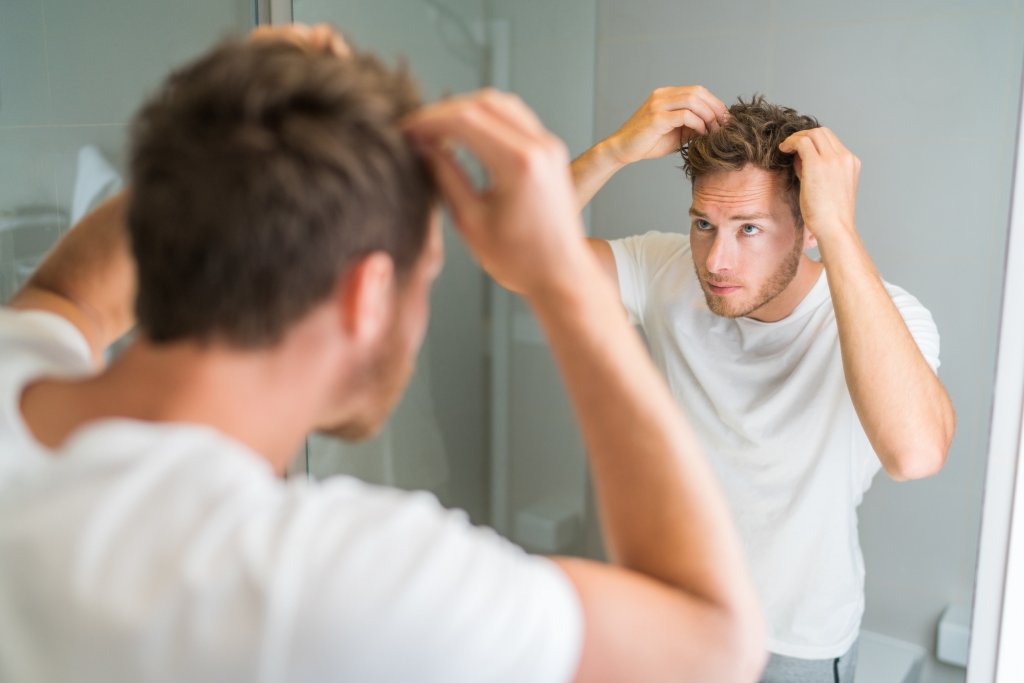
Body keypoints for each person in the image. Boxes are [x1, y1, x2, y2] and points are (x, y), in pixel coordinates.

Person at [0, 25, 767, 683]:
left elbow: (69, 295)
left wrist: (236, 128)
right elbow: (715, 639)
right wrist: (559, 273)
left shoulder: (14, 372)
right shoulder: (325, 580)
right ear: (367, 295)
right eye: (425, 271)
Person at [571, 88, 956, 682]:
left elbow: (916, 453)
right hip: (673, 618)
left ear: (806, 230)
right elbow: (515, 257)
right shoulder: (664, 270)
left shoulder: (887, 315)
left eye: (749, 228)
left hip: (793, 646)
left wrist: (838, 229)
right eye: (704, 223)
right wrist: (612, 152)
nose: (717, 260)